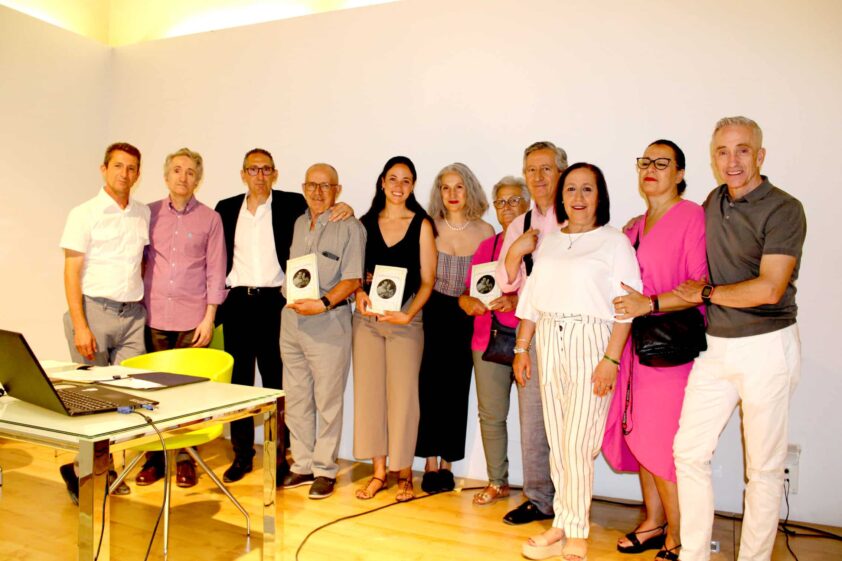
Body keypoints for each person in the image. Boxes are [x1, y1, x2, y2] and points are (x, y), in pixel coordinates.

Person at [672, 117, 806, 561]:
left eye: (742, 150)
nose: (732, 161)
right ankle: (694, 554)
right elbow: (678, 224)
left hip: (767, 347)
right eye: (722, 152)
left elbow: (769, 287)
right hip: (716, 346)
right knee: (688, 452)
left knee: (764, 469)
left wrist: (707, 293)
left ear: (760, 156)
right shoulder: (713, 201)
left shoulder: (784, 208)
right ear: (713, 159)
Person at [514, 163, 641, 561]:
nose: (578, 198)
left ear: (599, 196)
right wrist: (522, 348)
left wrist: (610, 360)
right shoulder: (549, 242)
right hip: (548, 339)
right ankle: (561, 524)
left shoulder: (613, 242)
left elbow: (626, 308)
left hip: (592, 342)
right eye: (571, 189)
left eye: (587, 190)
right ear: (561, 196)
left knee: (577, 442)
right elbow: (531, 301)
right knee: (557, 440)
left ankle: (577, 532)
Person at [214, 148, 352, 484]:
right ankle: (242, 455)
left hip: (276, 304)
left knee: (281, 387)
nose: (259, 175)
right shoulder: (226, 208)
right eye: (253, 169)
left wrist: (344, 206)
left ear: (274, 174)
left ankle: (281, 456)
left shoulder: (292, 205)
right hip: (238, 304)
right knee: (240, 386)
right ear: (244, 173)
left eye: (266, 170)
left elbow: (325, 209)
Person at [600, 140, 707, 560]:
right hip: (634, 348)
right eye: (645, 162)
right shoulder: (635, 225)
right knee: (639, 435)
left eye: (662, 163)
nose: (651, 169)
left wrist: (652, 303)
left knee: (664, 444)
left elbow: (699, 287)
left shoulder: (691, 216)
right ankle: (654, 520)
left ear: (679, 173)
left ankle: (680, 534)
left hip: (668, 350)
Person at [59, 142, 150, 502]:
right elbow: (71, 271)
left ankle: (101, 466)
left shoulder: (142, 212)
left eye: (131, 168)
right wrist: (80, 325)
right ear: (103, 169)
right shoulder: (83, 213)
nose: (124, 174)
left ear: (138, 175)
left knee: (124, 396)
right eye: (117, 166)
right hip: (93, 313)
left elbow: (141, 263)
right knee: (92, 399)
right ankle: (86, 472)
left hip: (132, 317)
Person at [135, 147, 227, 488]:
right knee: (153, 393)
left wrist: (209, 317)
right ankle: (154, 459)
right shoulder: (149, 214)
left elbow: (216, 270)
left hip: (193, 320)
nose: (183, 177)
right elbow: (139, 261)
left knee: (189, 394)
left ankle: (187, 459)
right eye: (177, 170)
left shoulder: (210, 219)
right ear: (166, 176)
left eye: (190, 172)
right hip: (154, 315)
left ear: (198, 179)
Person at [353, 156, 437, 502]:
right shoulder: (364, 223)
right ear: (382, 183)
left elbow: (429, 281)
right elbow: (354, 274)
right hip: (368, 322)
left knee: (403, 399)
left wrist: (408, 314)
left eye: (406, 180)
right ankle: (378, 472)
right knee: (370, 396)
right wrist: (358, 292)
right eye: (393, 179)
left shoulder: (423, 224)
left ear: (413, 185)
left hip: (406, 322)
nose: (399, 186)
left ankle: (404, 474)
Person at [279, 163, 365, 500]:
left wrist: (324, 303)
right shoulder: (299, 223)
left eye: (325, 186)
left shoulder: (350, 227)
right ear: (303, 187)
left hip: (328, 322)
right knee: (297, 396)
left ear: (337, 190)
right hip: (291, 322)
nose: (317, 192)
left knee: (327, 399)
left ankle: (325, 469)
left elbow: (353, 278)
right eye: (312, 185)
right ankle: (301, 465)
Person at [494, 141, 567, 525]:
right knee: (533, 419)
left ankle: (571, 502)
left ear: (561, 172)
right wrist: (515, 251)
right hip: (532, 331)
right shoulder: (520, 224)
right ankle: (539, 499)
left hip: (573, 331)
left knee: (570, 420)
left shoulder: (578, 215)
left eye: (546, 169)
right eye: (531, 170)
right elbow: (507, 284)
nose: (538, 178)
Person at [415, 163, 494, 493]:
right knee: (428, 388)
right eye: (445, 188)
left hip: (467, 317)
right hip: (432, 313)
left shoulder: (486, 231)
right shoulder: (429, 227)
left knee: (457, 389)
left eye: (458, 187)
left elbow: (488, 284)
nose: (452, 194)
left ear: (470, 190)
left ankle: (448, 462)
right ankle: (429, 462)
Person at [458, 176, 529, 505]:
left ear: (528, 204)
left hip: (531, 342)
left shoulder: (543, 243)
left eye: (514, 200)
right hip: (487, 339)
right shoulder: (487, 246)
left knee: (536, 422)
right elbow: (467, 292)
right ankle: (497, 481)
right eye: (501, 202)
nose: (507, 208)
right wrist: (467, 302)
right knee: (491, 415)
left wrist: (517, 303)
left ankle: (541, 490)